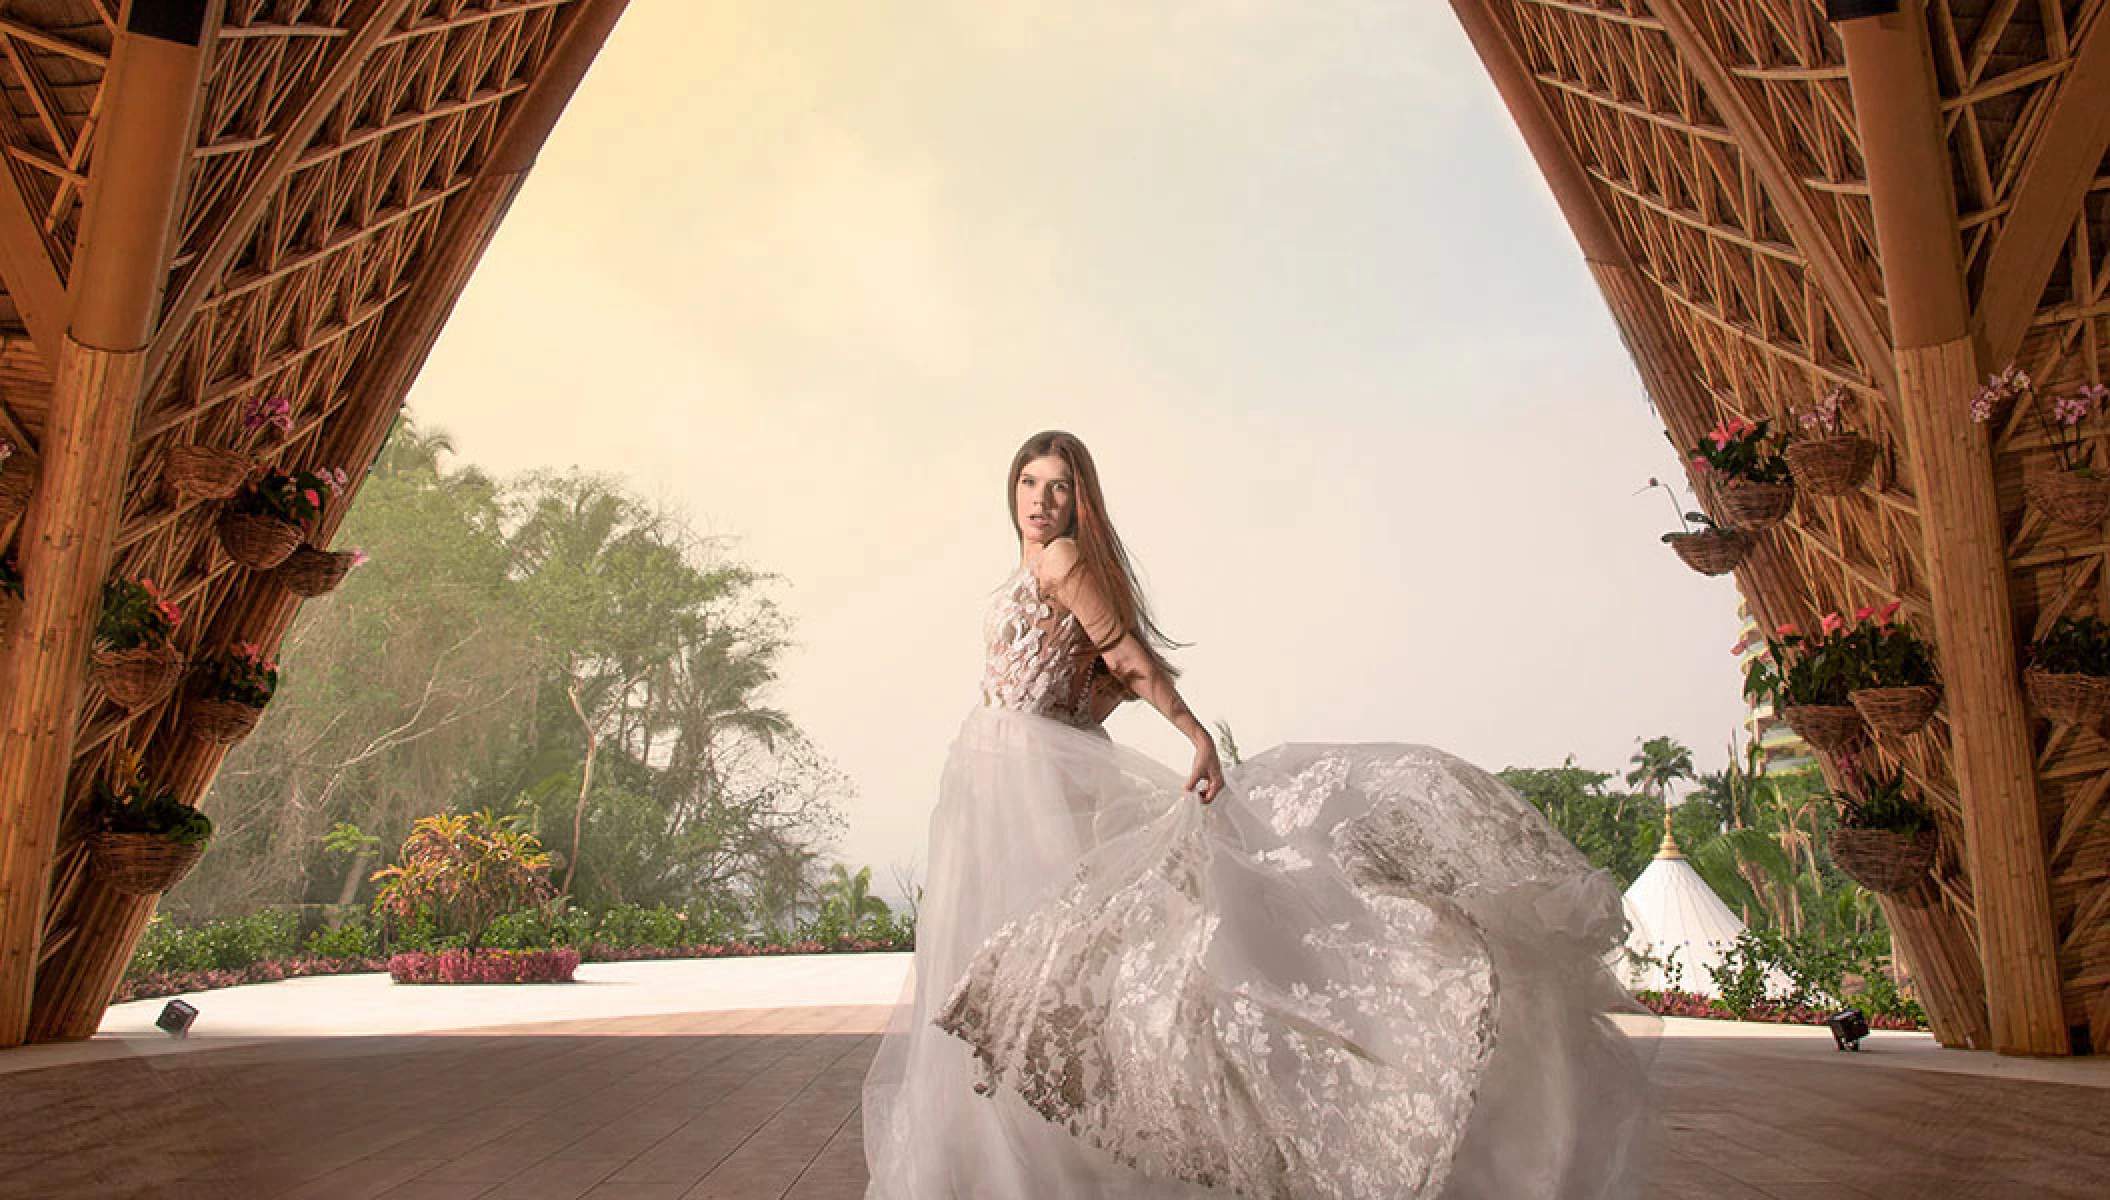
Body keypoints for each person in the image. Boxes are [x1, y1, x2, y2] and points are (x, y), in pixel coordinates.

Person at [861, 431, 1656, 1199]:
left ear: (1080, 506)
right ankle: (1001, 1158)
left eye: (1058, 488)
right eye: (1029, 483)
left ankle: (1020, 1163)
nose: (1040, 500)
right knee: (1022, 965)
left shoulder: (1064, 559)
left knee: (1034, 962)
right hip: (998, 773)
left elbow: (1124, 651)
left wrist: (1192, 731)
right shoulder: (1031, 566)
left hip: (1024, 779)